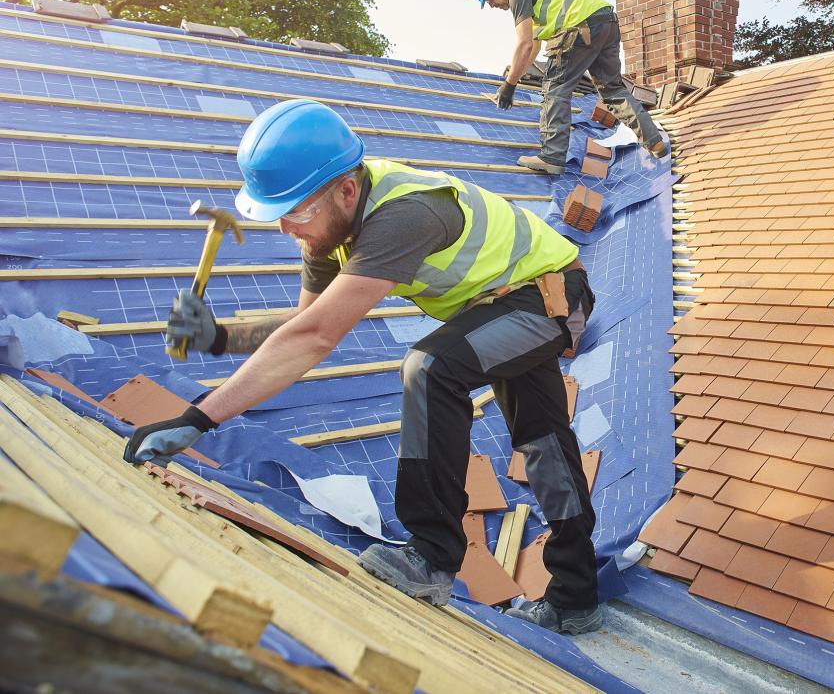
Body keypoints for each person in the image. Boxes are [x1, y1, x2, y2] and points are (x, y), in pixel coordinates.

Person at [123, 98, 603, 635]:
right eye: (278, 213)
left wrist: (197, 419)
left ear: (347, 190)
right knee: (543, 442)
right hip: (500, 304)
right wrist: (220, 338)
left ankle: (431, 556)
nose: (286, 228)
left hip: (550, 296)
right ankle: (576, 596)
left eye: (297, 211)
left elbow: (313, 339)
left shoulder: (404, 215)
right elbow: (305, 325)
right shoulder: (327, 228)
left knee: (430, 368)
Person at [468, 0, 668, 175]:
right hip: (606, 22)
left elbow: (524, 43)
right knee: (613, 91)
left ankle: (551, 156)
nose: (491, 5)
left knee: (555, 88)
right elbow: (533, 47)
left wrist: (509, 86)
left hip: (579, 26)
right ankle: (655, 143)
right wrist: (514, 78)